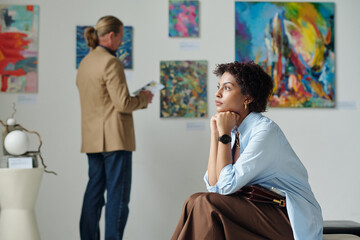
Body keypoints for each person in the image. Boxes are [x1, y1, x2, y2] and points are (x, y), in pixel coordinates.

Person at [171, 61, 323, 240]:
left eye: (226, 88)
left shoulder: (264, 131)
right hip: (257, 209)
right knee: (194, 201)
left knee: (205, 203)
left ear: (248, 97)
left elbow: (225, 187)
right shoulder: (234, 130)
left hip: (289, 218)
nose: (217, 93)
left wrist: (224, 135)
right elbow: (214, 187)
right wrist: (215, 134)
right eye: (219, 87)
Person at [76, 16, 153, 240]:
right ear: (111, 36)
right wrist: (144, 98)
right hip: (115, 138)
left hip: (92, 139)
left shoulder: (85, 62)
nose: (121, 41)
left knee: (93, 194)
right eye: (121, 36)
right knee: (118, 198)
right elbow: (123, 104)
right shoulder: (111, 62)